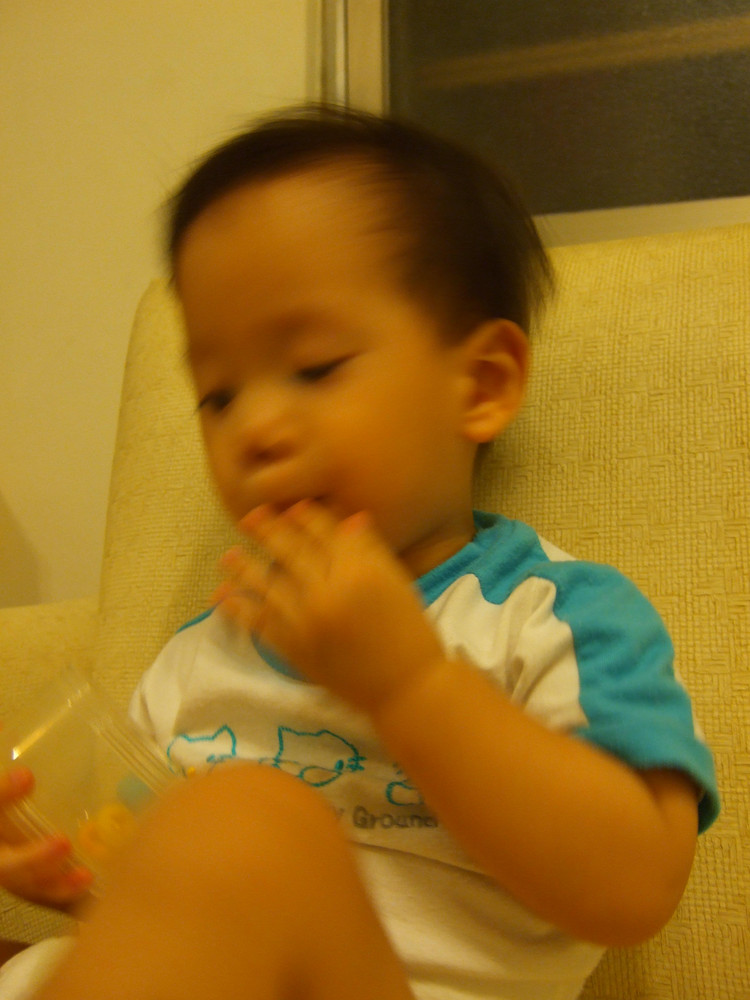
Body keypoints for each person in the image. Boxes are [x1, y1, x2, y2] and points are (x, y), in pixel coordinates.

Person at [0, 106, 719, 1000]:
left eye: (314, 368)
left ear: (481, 384)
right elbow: (179, 908)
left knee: (246, 823)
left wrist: (410, 685)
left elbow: (636, 887)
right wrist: (79, 873)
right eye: (218, 396)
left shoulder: (550, 620)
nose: (256, 428)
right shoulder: (203, 654)